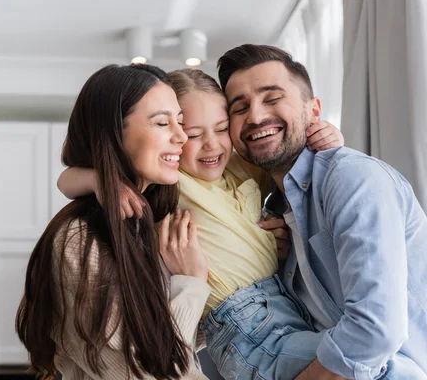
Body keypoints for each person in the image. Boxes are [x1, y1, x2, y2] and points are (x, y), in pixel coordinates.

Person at [57, 67, 344, 378]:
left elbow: (284, 156)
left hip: (282, 305)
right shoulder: (171, 181)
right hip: (241, 322)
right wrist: (101, 180)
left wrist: (328, 137)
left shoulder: (238, 169)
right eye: (190, 132)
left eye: (222, 129)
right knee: (360, 362)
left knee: (363, 357)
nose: (211, 145)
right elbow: (66, 179)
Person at [215, 44, 427, 379]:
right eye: (239, 108)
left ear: (314, 110)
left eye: (272, 99)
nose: (255, 117)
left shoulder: (351, 177)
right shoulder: (272, 203)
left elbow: (376, 329)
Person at [15, 63, 211, 379]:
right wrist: (191, 284)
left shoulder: (153, 224)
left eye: (181, 121)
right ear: (113, 133)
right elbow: (139, 374)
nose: (181, 136)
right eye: (162, 122)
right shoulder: (78, 239)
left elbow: (177, 340)